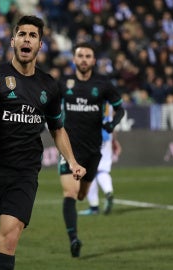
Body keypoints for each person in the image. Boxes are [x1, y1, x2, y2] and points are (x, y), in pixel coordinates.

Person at [0, 15, 86, 270]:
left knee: (9, 239)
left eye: (33, 36)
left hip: (25, 172)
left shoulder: (49, 86)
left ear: (40, 45)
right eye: (22, 34)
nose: (27, 39)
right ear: (13, 41)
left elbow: (57, 128)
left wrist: (73, 161)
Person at [58, 42, 125, 257]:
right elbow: (47, 104)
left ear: (94, 60)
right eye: (80, 55)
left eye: (88, 56)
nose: (84, 59)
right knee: (69, 192)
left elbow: (120, 109)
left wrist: (112, 125)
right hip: (69, 148)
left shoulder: (103, 84)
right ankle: (74, 239)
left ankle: (86, 196)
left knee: (81, 195)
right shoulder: (63, 84)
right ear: (74, 59)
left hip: (93, 150)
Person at [78, 104, 122, 215]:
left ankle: (94, 207)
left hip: (91, 137)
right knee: (102, 169)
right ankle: (108, 191)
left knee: (88, 171)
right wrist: (114, 140)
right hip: (107, 137)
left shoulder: (90, 95)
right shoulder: (109, 99)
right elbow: (112, 119)